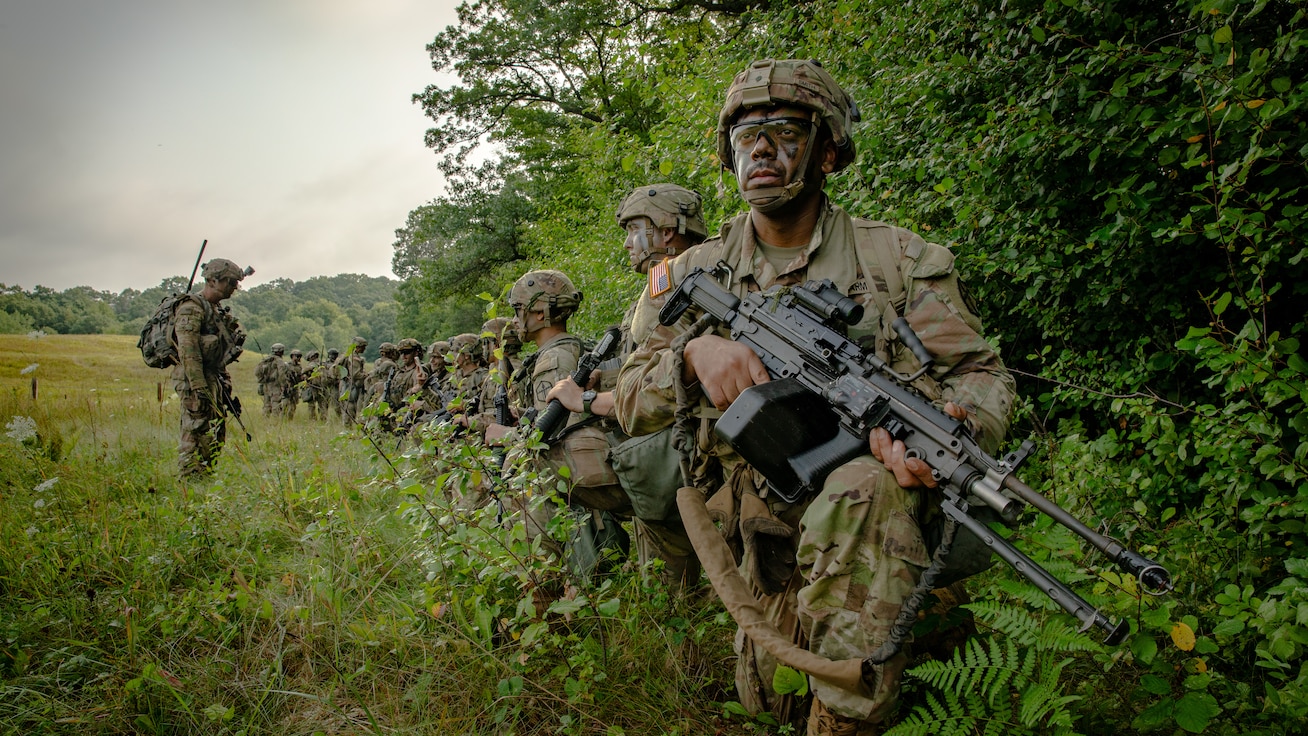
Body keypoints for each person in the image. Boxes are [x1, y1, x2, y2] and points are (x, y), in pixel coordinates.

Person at [614, 59, 1015, 734]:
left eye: (783, 131)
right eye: (746, 137)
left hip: (898, 531)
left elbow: (980, 374)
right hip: (767, 536)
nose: (761, 149)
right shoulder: (690, 274)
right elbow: (628, 398)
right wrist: (691, 355)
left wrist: (958, 424)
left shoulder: (900, 262)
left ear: (828, 150)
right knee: (771, 704)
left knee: (865, 491)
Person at [546, 183, 708, 592]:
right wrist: (609, 377)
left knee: (674, 594)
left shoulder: (685, 283)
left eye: (633, 229)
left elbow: (673, 383)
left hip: (682, 450)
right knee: (663, 585)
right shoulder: (657, 289)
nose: (626, 244)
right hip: (656, 446)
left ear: (666, 231)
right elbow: (647, 361)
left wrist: (585, 400)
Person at [486, 270, 629, 577]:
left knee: (523, 470)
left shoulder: (555, 359)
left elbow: (554, 437)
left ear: (540, 312)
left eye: (518, 310)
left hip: (584, 466)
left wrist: (507, 436)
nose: (514, 320)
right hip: (587, 461)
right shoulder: (558, 352)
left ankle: (543, 581)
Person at [172, 258, 248, 478]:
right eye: (230, 282)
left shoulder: (214, 310)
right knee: (195, 428)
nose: (235, 287)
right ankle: (190, 479)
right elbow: (188, 352)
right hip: (193, 377)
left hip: (212, 376)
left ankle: (204, 475)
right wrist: (199, 386)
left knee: (213, 430)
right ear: (213, 280)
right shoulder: (191, 308)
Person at [339, 337, 368, 426]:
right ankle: (348, 429)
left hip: (347, 385)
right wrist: (366, 375)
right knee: (350, 408)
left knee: (348, 408)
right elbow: (355, 374)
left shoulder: (349, 355)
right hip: (351, 387)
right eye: (363, 347)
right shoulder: (354, 358)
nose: (364, 349)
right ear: (358, 347)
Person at [255, 343, 289, 418]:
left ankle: (265, 421)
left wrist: (262, 380)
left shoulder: (266, 360)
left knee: (266, 405)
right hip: (275, 386)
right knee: (276, 404)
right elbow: (281, 375)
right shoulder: (279, 361)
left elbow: (257, 372)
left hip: (266, 386)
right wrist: (284, 385)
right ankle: (274, 423)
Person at [284, 348, 305, 419]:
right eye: (296, 356)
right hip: (287, 387)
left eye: (299, 356)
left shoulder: (299, 367)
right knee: (285, 404)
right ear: (292, 356)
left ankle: (290, 419)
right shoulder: (287, 365)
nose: (298, 358)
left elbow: (301, 377)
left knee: (293, 405)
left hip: (295, 388)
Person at [325, 347, 343, 420]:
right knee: (325, 403)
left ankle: (339, 417)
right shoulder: (325, 364)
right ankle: (324, 418)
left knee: (337, 404)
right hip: (327, 386)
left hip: (336, 386)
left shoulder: (339, 364)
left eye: (334, 355)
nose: (333, 356)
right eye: (331, 355)